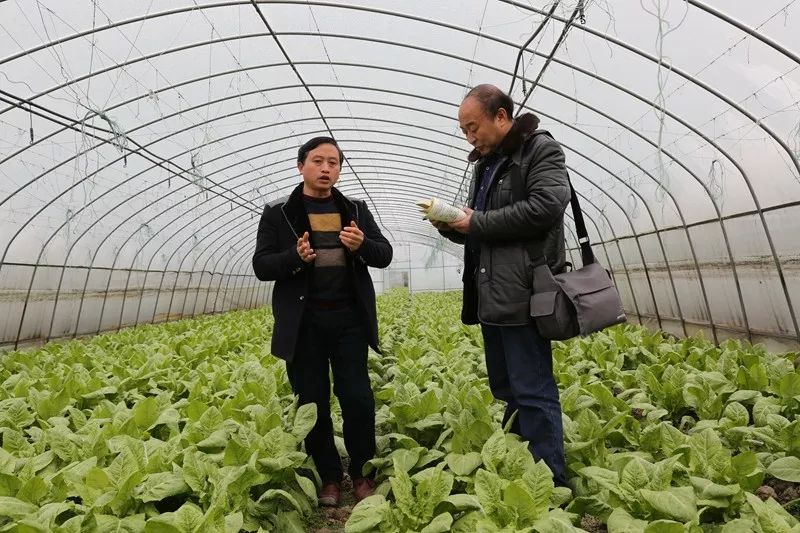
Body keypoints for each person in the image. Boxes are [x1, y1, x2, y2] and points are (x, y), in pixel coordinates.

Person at [434, 84, 571, 487]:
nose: (469, 136)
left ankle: (551, 481)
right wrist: (453, 226)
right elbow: (484, 229)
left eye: (473, 126)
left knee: (532, 388)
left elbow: (546, 207)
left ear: (501, 115)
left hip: (526, 292)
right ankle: (518, 467)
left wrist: (475, 221)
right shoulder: (486, 165)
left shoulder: (539, 151)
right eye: (463, 130)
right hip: (491, 294)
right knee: (506, 387)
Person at [252, 136, 393, 506]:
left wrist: (362, 244)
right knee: (312, 402)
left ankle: (362, 472)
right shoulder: (279, 212)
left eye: (333, 162)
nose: (326, 168)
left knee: (358, 398)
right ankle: (329, 476)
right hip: (304, 324)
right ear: (301, 166)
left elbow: (384, 254)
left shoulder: (356, 210)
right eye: (318, 161)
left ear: (340, 169)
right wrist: (295, 257)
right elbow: (262, 265)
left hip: (348, 321)